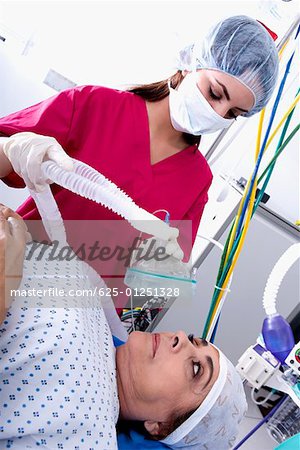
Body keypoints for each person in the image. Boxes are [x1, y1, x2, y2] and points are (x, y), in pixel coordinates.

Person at [0, 15, 279, 309]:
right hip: (15, 277)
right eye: (215, 93)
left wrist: (162, 278)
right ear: (192, 62)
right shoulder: (95, 106)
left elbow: (158, 285)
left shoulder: (197, 179)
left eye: (233, 113)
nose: (218, 113)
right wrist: (11, 149)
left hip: (83, 318)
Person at [0, 204, 247, 449]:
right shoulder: (105, 321)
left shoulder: (88, 437)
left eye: (196, 369)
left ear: (159, 426)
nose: (180, 337)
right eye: (193, 340)